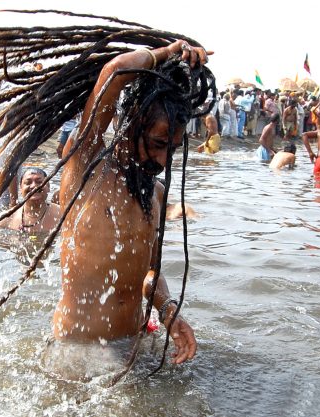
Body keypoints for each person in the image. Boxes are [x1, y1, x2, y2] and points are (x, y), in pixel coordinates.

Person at [48, 39, 211, 366]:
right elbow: (116, 72)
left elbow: (150, 274)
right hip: (79, 352)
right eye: (157, 143)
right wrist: (169, 51)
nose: (164, 160)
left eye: (173, 148)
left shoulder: (156, 193)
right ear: (131, 122)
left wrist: (168, 315)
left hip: (133, 345)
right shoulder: (87, 166)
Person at [0, 167, 61, 233]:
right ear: (21, 188)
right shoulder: (6, 219)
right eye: (28, 182)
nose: (34, 186)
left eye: (39, 182)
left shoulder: (63, 215)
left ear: (48, 187)